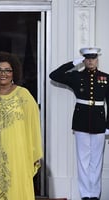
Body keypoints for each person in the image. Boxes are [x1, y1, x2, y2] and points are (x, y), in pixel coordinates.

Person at [0, 51, 43, 200]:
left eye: (7, 70)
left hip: (17, 154)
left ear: (14, 73)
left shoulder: (24, 96)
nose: (3, 74)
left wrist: (35, 153)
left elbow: (34, 126)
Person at [49, 47, 109, 200]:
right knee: (83, 160)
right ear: (84, 60)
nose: (90, 61)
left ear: (97, 59)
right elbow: (54, 75)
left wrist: (108, 126)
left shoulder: (105, 78)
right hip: (81, 121)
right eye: (87, 58)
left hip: (99, 122)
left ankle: (95, 194)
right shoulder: (75, 76)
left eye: (93, 58)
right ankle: (85, 195)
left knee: (96, 161)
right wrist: (75, 63)